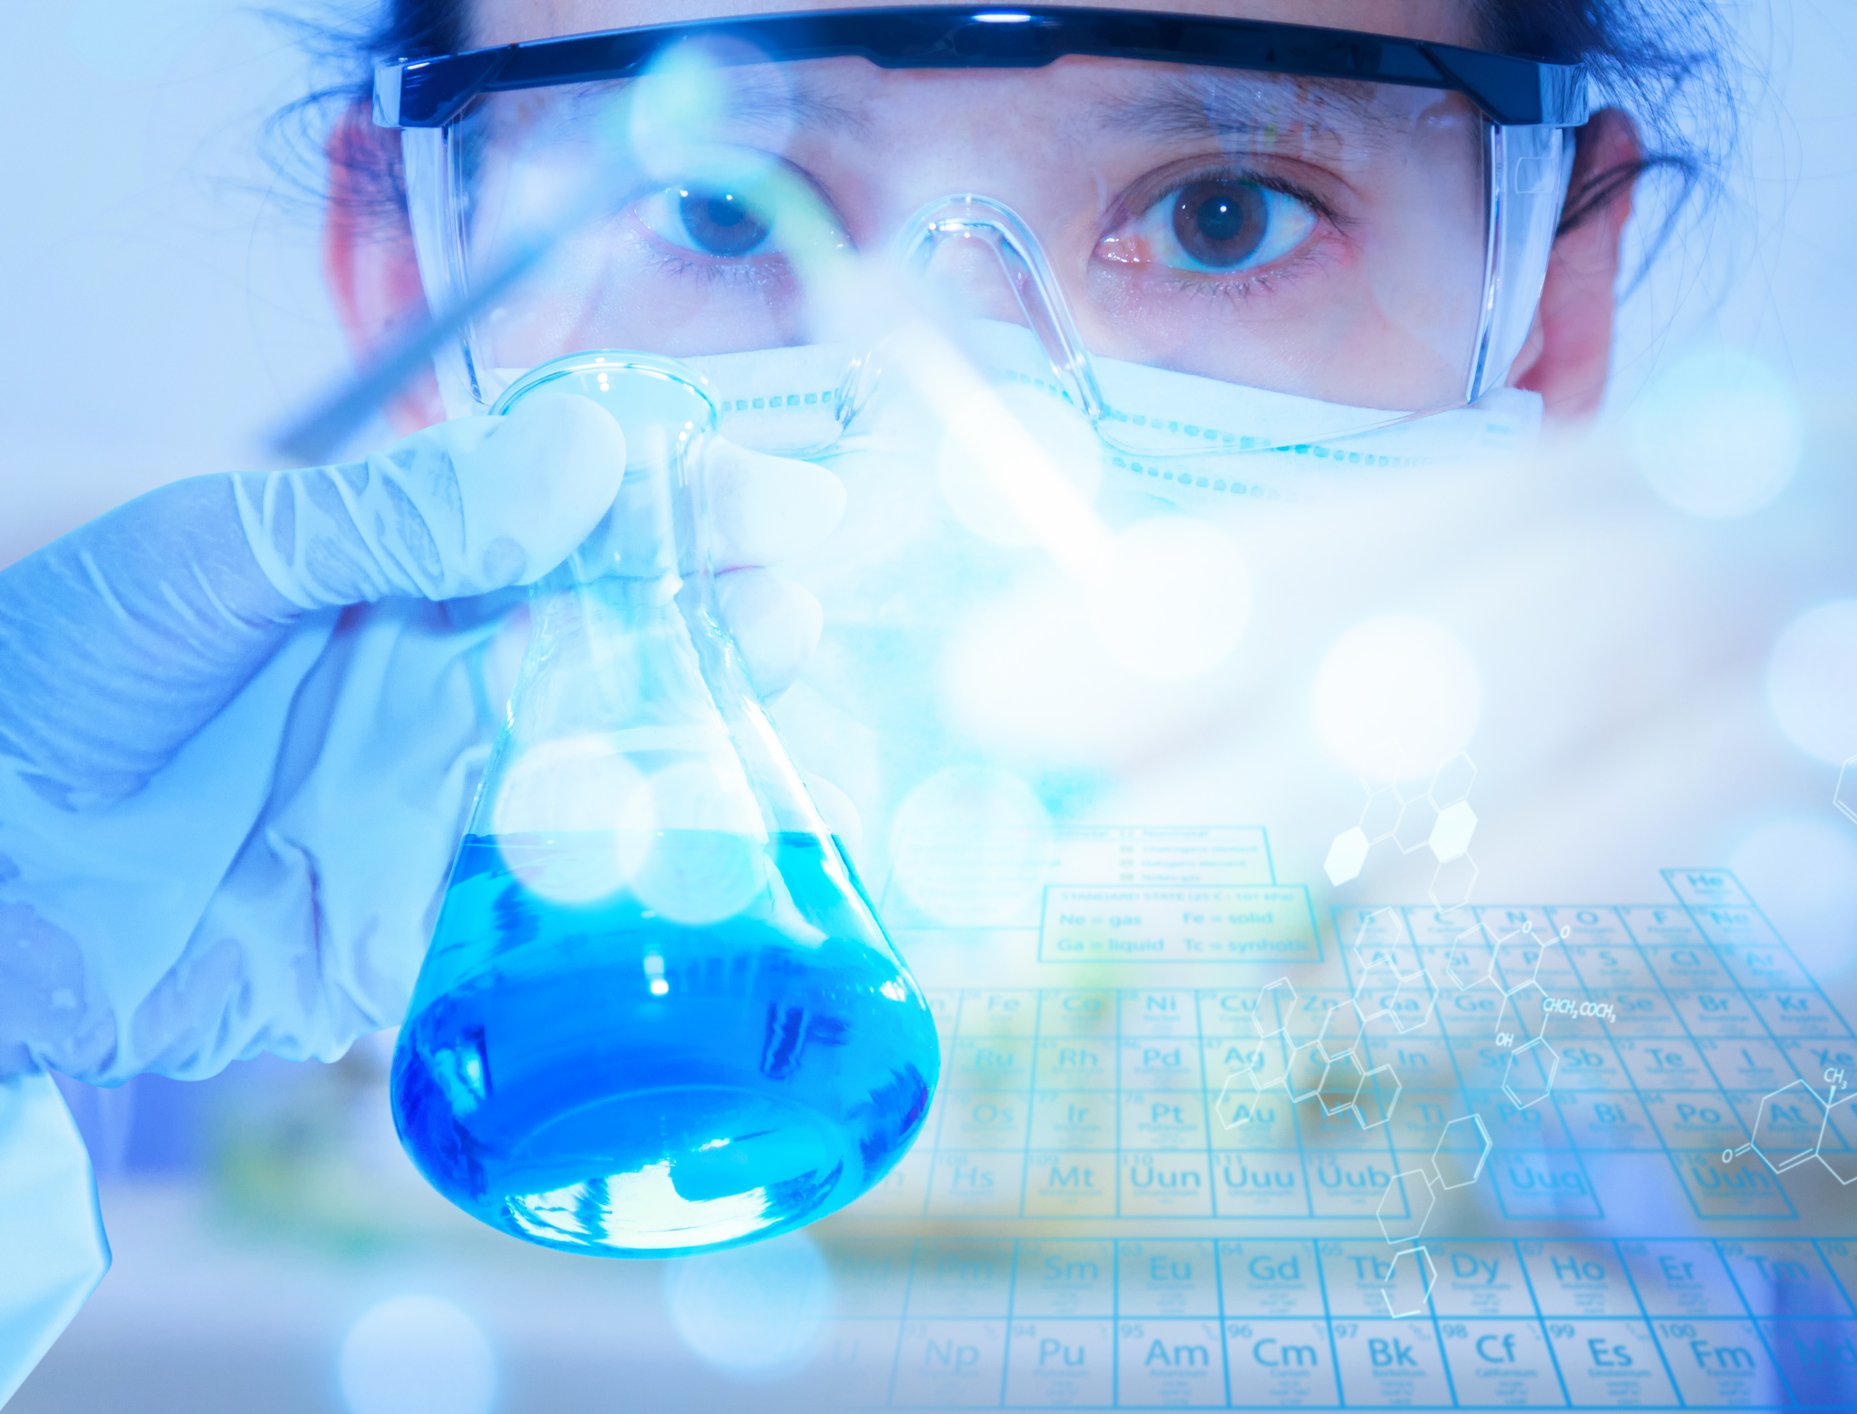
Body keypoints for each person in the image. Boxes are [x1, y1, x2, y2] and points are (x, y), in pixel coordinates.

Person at [0, 0, 1731, 1396]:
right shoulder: (102, 1034)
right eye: (710, 208)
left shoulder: (1787, 1187)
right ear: (405, 285)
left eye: (1221, 212)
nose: (953, 453)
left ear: (1549, 306)